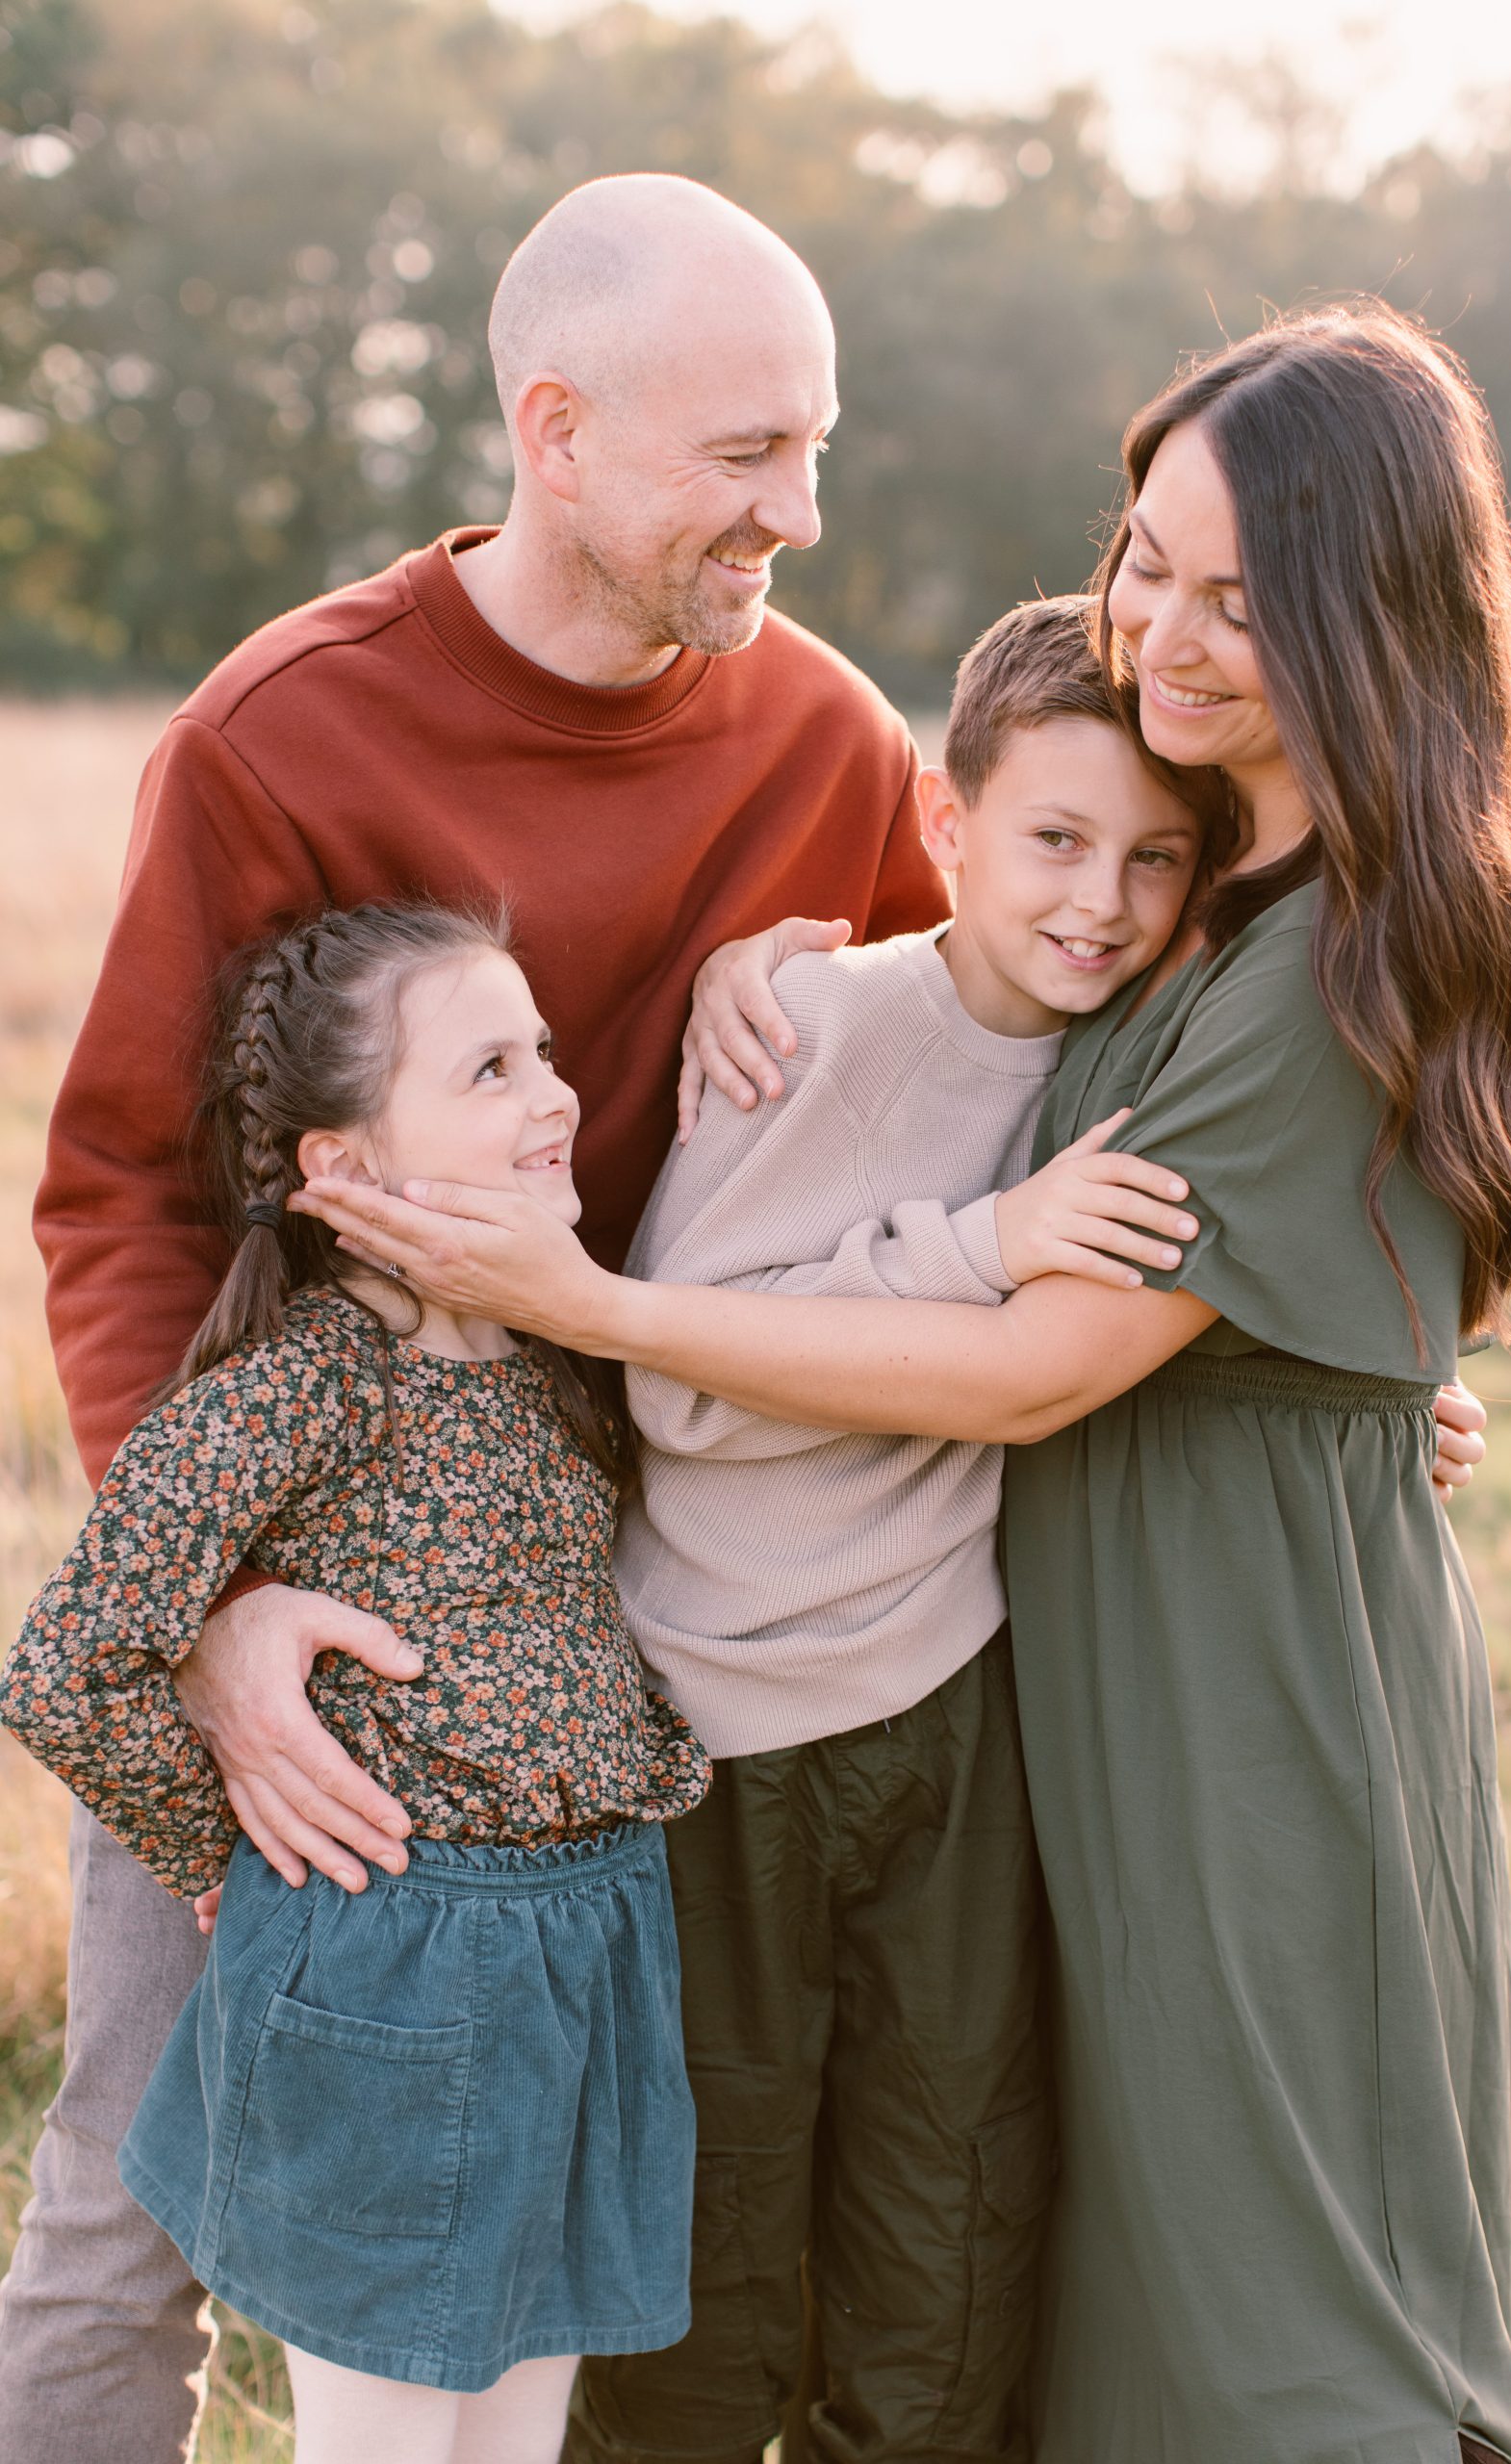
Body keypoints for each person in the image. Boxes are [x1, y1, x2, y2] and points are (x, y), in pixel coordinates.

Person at [303, 303, 1511, 2464]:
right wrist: (776, 951)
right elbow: (1009, 1050)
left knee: (1283, 2278)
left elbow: (1030, 1368)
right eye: (1141, 557)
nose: (1165, 629)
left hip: (1234, 1693)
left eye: (1236, 590)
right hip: (1075, 1673)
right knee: (1109, 2239)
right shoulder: (1218, 886)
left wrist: (588, 1302)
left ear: (1366, 606)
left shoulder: (1306, 954)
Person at [2, 174, 944, 2464]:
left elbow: (1002, 1033)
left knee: (565, 2202)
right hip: (300, 1550)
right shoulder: (280, 734)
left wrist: (821, 969)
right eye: (744, 458)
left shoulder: (823, 740)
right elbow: (121, 1192)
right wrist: (220, 1609)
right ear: (557, 431)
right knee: (137, 2189)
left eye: (813, 448)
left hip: (633, 1585)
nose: (795, 515)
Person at [571, 595, 1213, 2464]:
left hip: (950, 1703)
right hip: (724, 1727)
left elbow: (1142, 1318)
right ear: (945, 822)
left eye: (1150, 857)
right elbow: (680, 1380)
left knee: (945, 2215)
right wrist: (979, 1250)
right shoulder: (822, 1027)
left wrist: (1371, 1405)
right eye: (1054, 839)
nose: (1097, 896)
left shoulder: (1137, 1063)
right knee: (716, 2224)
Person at [5, 902, 711, 2464]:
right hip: (403, 1965)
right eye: (488, 1069)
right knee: (388, 2443)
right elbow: (69, 1661)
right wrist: (222, 1849)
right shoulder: (307, 1384)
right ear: (344, 1168)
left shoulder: (557, 1358)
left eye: (543, 1053)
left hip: (588, 1952)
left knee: (515, 2438)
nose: (552, 1095)